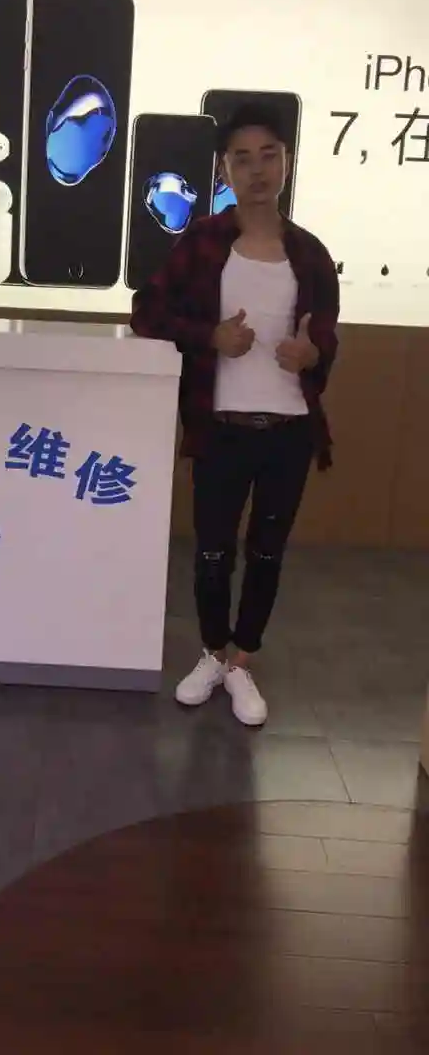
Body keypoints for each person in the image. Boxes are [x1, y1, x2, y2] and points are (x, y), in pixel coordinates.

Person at [130, 103, 339, 726]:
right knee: (213, 552)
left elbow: (326, 336)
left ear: (286, 163)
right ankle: (212, 654)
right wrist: (210, 337)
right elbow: (146, 312)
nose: (257, 170)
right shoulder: (202, 242)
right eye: (242, 159)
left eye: (268, 156)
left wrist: (311, 354)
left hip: (289, 432)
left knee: (267, 552)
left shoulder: (310, 254)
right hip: (220, 429)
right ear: (225, 169)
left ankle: (243, 662)